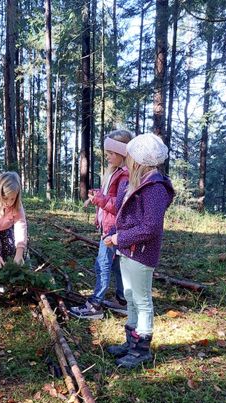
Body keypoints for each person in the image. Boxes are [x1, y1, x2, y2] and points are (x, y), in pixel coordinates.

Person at [104, 133, 174, 369]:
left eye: (131, 156)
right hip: (127, 249)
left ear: (140, 160)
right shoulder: (137, 182)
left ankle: (141, 348)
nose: (127, 159)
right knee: (131, 297)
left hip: (141, 253)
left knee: (142, 300)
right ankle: (130, 343)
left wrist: (119, 237)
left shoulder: (155, 188)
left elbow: (150, 227)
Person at [70, 130, 132, 320]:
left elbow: (119, 205)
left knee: (103, 264)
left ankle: (95, 305)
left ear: (122, 153)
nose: (107, 157)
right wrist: (98, 195)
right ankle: (123, 301)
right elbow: (110, 198)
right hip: (110, 227)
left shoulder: (125, 176)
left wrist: (99, 199)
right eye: (106, 153)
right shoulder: (114, 173)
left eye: (110, 153)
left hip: (114, 229)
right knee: (116, 266)